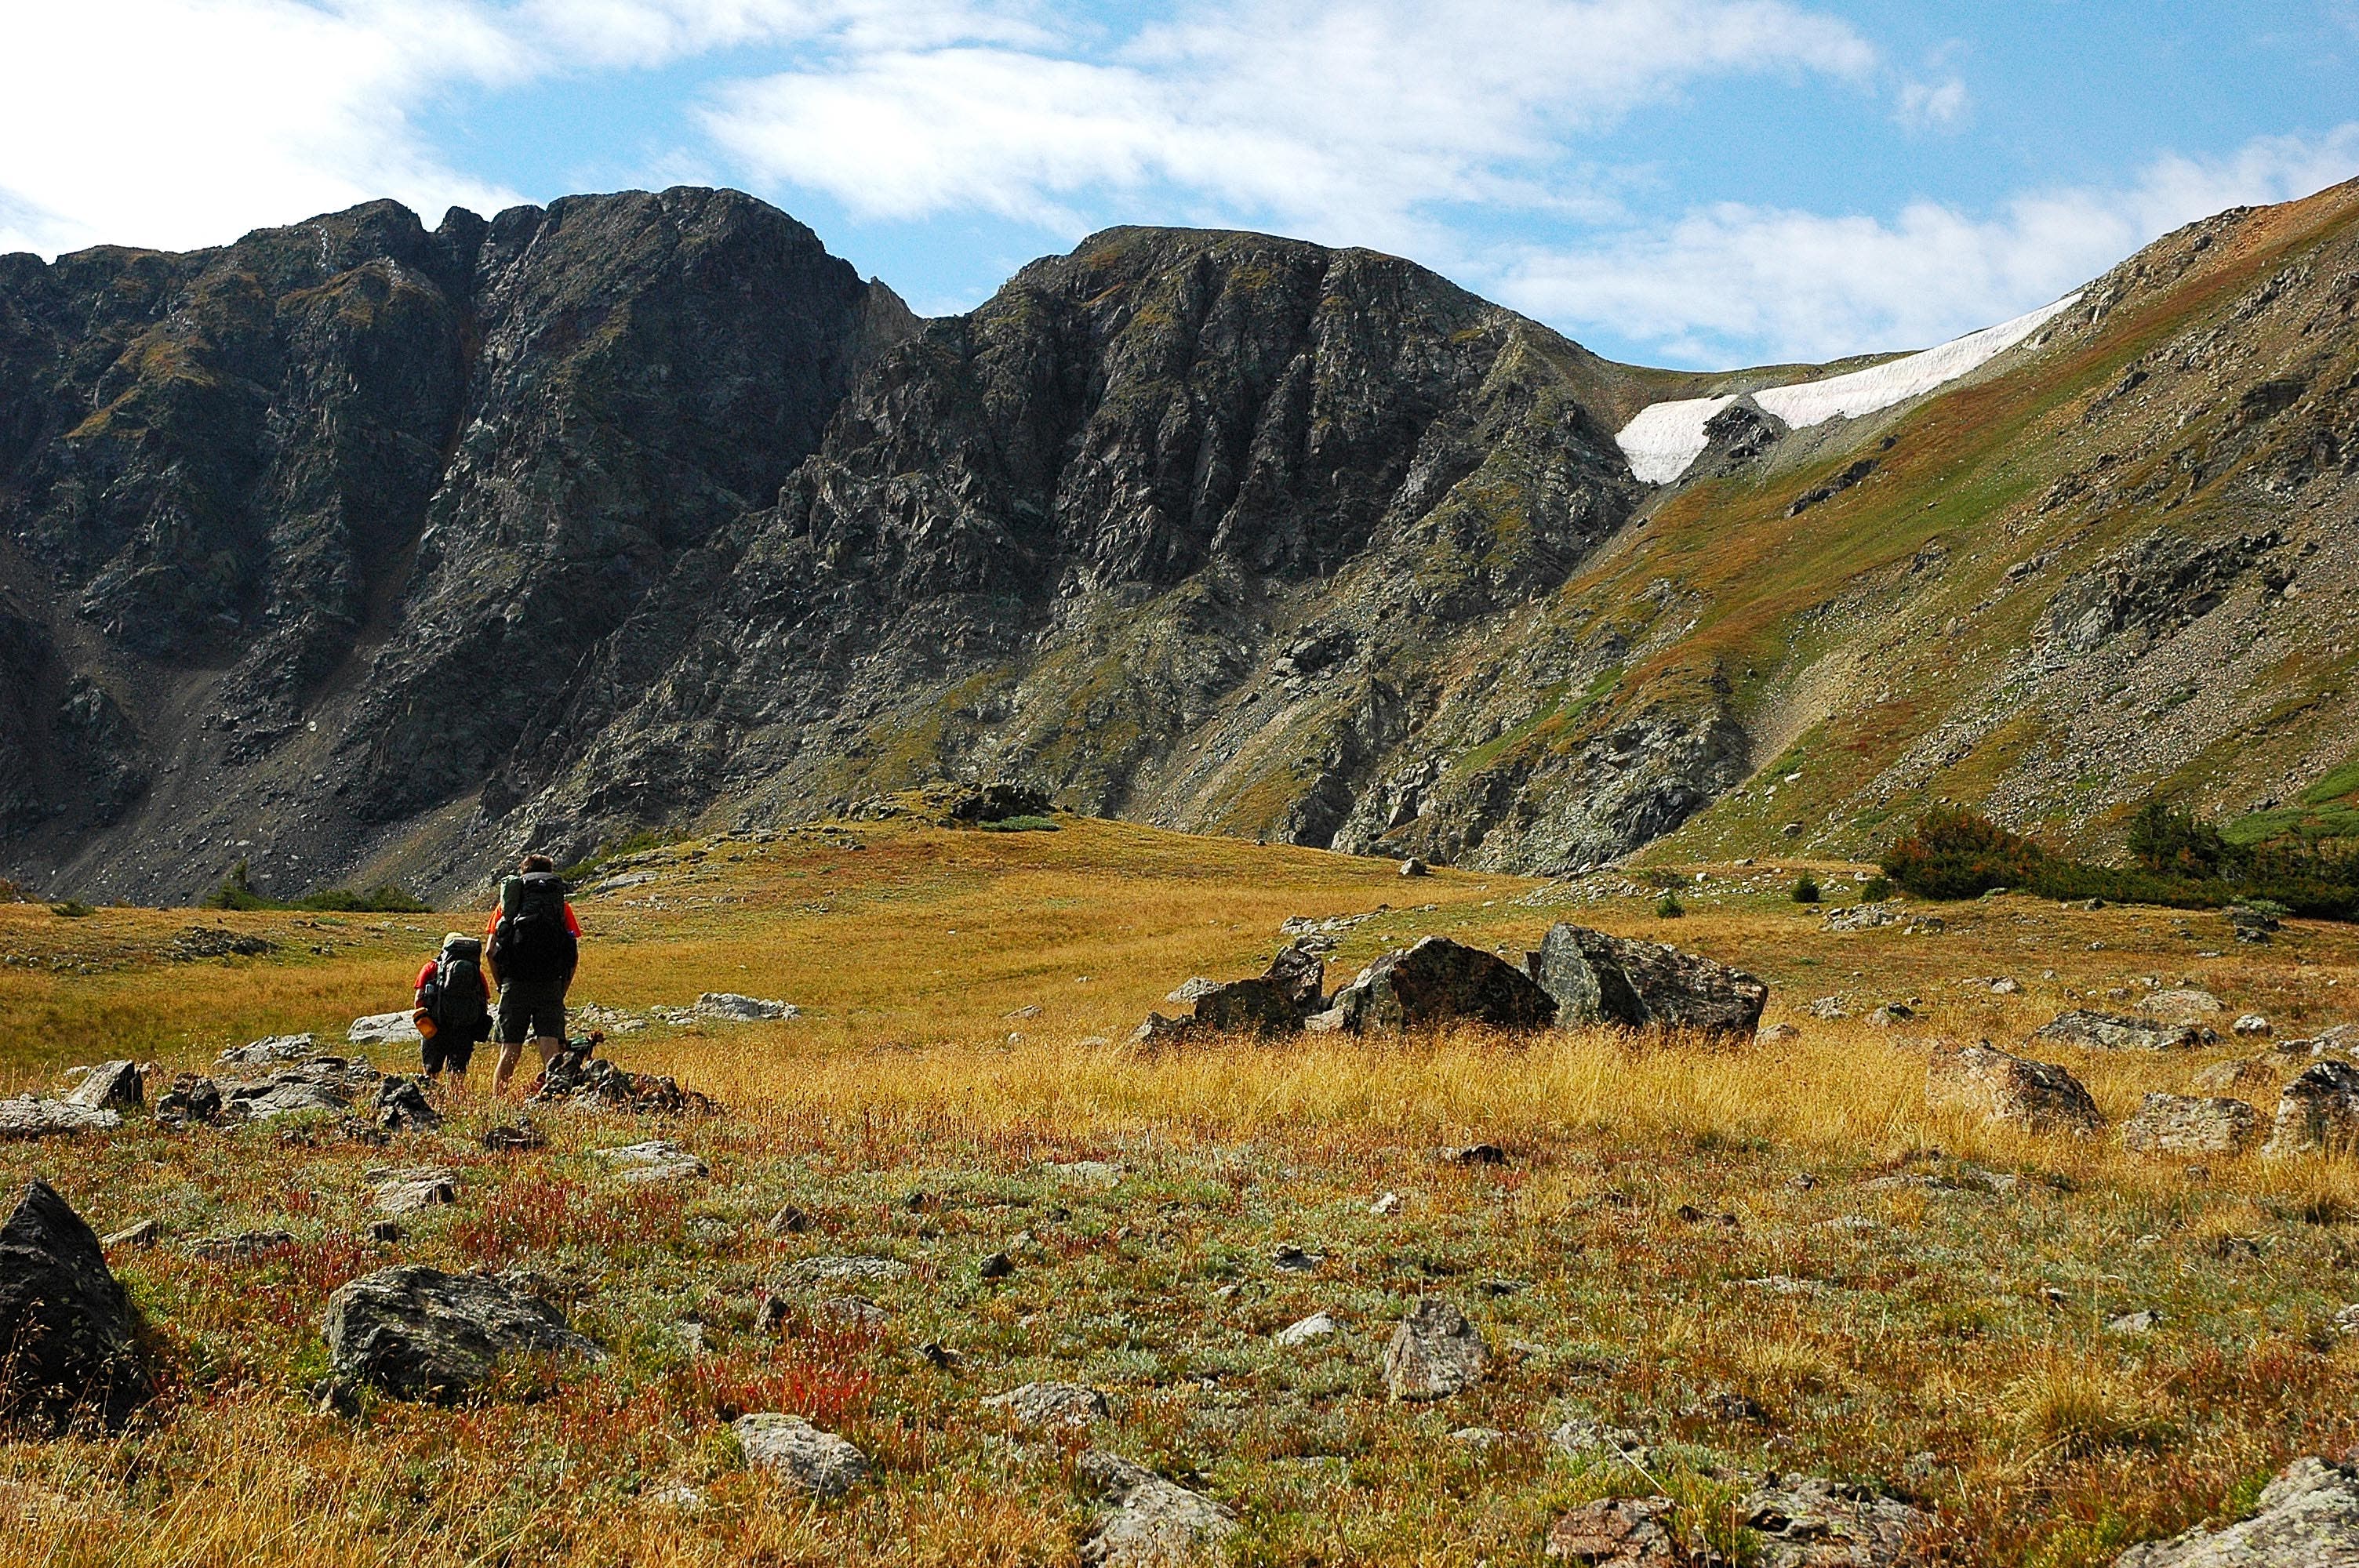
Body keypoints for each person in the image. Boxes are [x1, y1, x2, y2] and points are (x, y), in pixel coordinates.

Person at [484, 853, 582, 1097]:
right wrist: (562, 989)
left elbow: (489, 951)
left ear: (523, 873)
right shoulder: (560, 906)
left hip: (514, 983)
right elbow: (573, 954)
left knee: (510, 1050)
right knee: (550, 1047)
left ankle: (498, 1101)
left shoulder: (508, 906)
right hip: (550, 982)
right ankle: (557, 1098)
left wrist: (501, 984)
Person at [413, 931, 492, 1083]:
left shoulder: (431, 968)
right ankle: (456, 1102)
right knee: (457, 1072)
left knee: (431, 1073)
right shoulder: (476, 972)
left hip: (437, 1026)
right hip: (465, 1029)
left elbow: (418, 1000)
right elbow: (484, 1002)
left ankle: (430, 1100)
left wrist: (427, 1024)